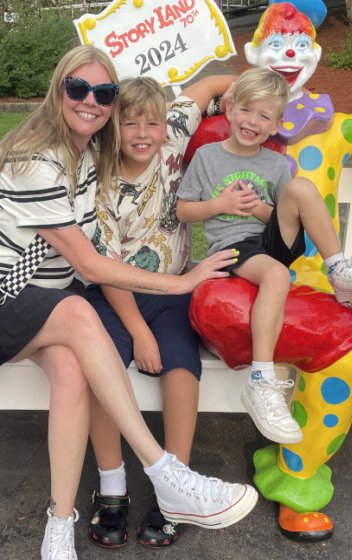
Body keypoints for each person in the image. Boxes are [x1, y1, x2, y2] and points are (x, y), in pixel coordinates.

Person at [0, 45, 257, 560]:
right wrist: (182, 284)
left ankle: (59, 525)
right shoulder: (36, 159)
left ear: (112, 104)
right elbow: (91, 267)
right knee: (80, 310)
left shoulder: (90, 151)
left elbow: (196, 93)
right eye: (78, 88)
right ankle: (166, 473)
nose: (90, 100)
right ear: (58, 90)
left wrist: (257, 88)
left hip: (43, 304)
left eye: (104, 92)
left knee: (74, 370)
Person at [176, 67, 352, 445]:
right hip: (233, 247)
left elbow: (281, 214)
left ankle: (338, 269)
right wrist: (220, 205)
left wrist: (259, 208)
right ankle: (261, 381)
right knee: (276, 275)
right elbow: (183, 210)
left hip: (271, 240)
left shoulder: (275, 163)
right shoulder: (208, 157)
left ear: (276, 124)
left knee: (302, 188)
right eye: (246, 110)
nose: (252, 121)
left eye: (264, 116)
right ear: (230, 110)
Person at [85, 74, 236, 550]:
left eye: (151, 123)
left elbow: (210, 85)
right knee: (101, 367)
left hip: (174, 290)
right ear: (113, 127)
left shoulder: (172, 136)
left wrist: (239, 88)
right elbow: (107, 270)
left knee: (181, 365)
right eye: (130, 124)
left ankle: (177, 486)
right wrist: (138, 332)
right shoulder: (99, 181)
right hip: (114, 295)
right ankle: (112, 485)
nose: (143, 133)